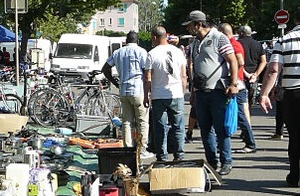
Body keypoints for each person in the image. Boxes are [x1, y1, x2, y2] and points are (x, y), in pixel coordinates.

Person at [184, 11, 238, 176]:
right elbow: (194, 68)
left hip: (218, 91)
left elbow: (233, 60)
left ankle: (226, 161)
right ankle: (212, 163)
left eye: (190, 25)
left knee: (221, 129)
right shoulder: (194, 43)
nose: (188, 28)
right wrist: (193, 92)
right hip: (201, 92)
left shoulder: (218, 37)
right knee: (205, 129)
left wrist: (234, 83)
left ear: (198, 24)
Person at [259, 7, 300, 187]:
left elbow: (274, 69)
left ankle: (295, 176)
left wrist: (264, 94)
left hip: (294, 94)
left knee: (295, 136)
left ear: (295, 20)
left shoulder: (284, 40)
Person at [101, 31, 152, 159]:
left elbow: (105, 69)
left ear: (125, 41)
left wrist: (115, 82)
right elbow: (147, 73)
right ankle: (142, 148)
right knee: (142, 121)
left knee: (126, 122)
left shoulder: (118, 52)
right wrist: (148, 91)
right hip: (138, 90)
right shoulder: (142, 52)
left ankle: (127, 148)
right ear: (137, 41)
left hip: (123, 90)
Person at [145, 25, 187, 163]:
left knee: (160, 127)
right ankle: (179, 155)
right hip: (176, 94)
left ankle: (162, 157)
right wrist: (182, 91)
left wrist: (146, 95)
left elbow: (148, 77)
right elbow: (183, 76)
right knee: (178, 127)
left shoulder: (151, 54)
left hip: (159, 95)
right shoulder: (178, 52)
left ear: (155, 37)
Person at [219, 23, 257, 154]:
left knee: (240, 114)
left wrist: (233, 77)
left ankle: (250, 143)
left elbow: (240, 62)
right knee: (236, 113)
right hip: (237, 83)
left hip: (237, 85)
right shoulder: (234, 43)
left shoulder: (233, 45)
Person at [237, 25, 266, 109]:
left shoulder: (237, 43)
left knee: (241, 103)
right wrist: (255, 75)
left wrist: (245, 73)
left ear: (241, 33)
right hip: (254, 77)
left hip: (241, 76)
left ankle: (243, 121)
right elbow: (263, 61)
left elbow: (237, 62)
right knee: (250, 103)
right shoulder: (258, 44)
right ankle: (248, 119)